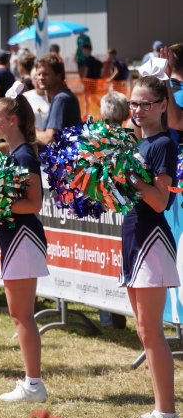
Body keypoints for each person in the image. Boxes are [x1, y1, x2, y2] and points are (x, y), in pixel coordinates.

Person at [118, 76, 180, 418]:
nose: (138, 110)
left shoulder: (163, 144)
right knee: (144, 331)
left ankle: (167, 417)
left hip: (151, 239)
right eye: (133, 103)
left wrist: (131, 179)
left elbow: (159, 201)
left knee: (151, 332)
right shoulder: (138, 143)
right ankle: (161, 410)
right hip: (133, 236)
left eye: (145, 104)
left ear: (162, 105)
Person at [0, 90, 49, 403]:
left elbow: (34, 203)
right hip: (16, 238)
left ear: (12, 120)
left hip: (24, 238)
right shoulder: (14, 153)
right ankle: (32, 382)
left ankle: (34, 385)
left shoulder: (24, 155)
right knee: (19, 314)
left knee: (22, 315)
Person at [97, 92, 130, 330]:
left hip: (112, 210)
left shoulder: (97, 140)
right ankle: (113, 316)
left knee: (106, 258)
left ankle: (110, 317)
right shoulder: (132, 138)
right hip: (121, 210)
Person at [35, 54, 82, 146]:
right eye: (39, 74)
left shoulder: (61, 99)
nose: (41, 78)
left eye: (46, 74)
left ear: (59, 76)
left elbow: (50, 139)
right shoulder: (61, 97)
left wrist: (30, 131)